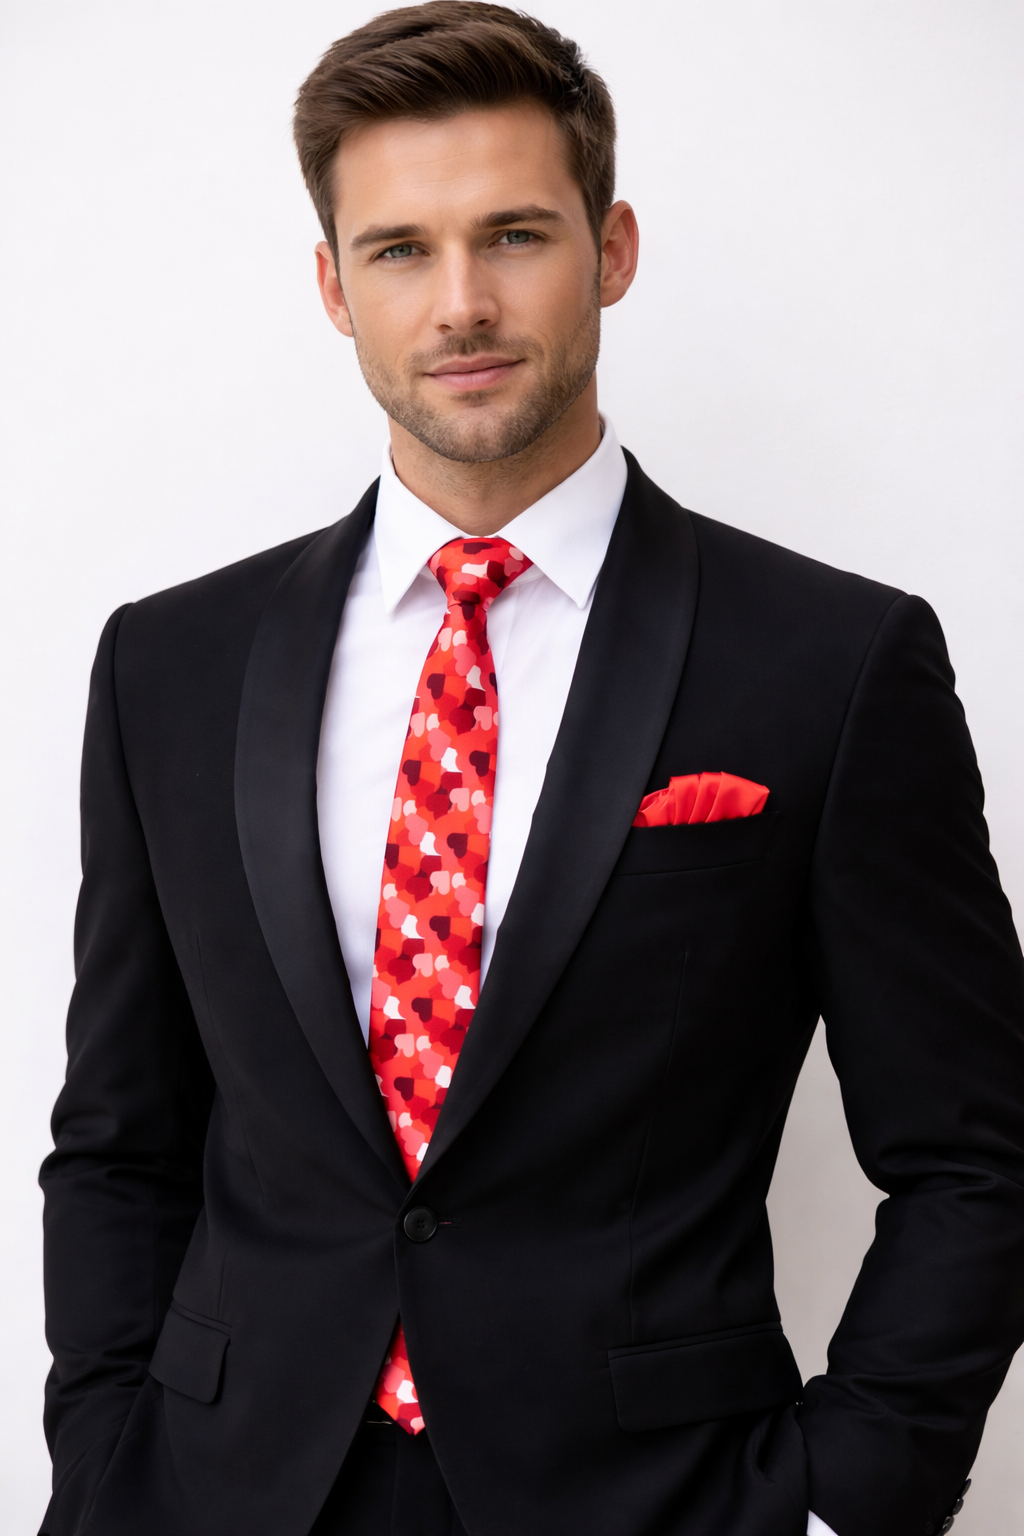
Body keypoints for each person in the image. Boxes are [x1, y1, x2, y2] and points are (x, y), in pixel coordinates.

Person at [38, 5, 1024, 1535]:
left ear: (612, 249)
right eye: (400, 251)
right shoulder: (171, 665)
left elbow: (979, 1155)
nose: (462, 304)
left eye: (514, 234)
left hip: (659, 1498)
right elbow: (120, 1134)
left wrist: (845, 1502)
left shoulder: (829, 662)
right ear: (331, 286)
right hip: (218, 1492)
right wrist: (104, 1469)